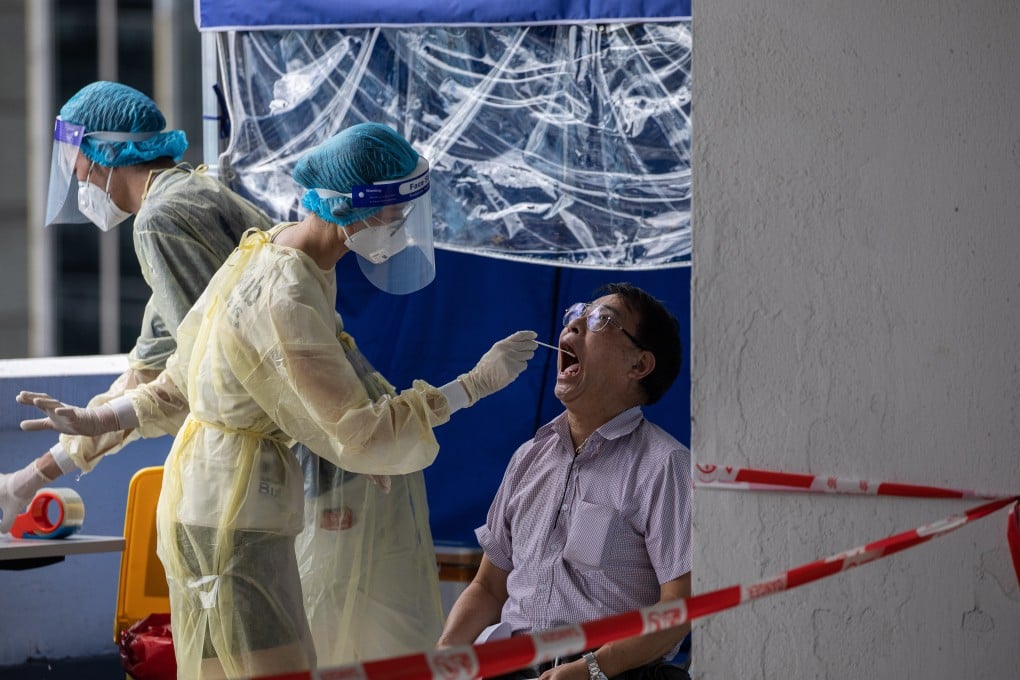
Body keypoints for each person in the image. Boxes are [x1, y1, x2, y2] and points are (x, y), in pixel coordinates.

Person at [8, 123, 539, 680]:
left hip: (215, 502)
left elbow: (188, 377)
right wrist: (473, 386)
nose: (398, 228)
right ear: (351, 207)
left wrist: (98, 417)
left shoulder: (272, 252)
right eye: (392, 213)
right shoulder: (286, 291)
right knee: (277, 671)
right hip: (232, 516)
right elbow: (361, 433)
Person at [0, 80, 274, 530]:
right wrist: (26, 481)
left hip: (256, 467)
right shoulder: (193, 191)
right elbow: (147, 368)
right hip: (280, 459)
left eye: (79, 165)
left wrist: (111, 413)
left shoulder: (159, 221)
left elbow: (205, 365)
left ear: (107, 152)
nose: (80, 180)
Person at [436, 282, 692, 680]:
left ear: (639, 366)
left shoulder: (664, 464)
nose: (572, 328)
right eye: (575, 316)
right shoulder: (528, 458)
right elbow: (489, 587)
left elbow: (677, 610)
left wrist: (591, 669)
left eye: (601, 321)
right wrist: (446, 655)